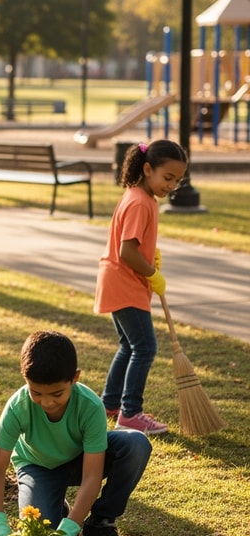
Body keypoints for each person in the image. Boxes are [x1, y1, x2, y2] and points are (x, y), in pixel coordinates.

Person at [0, 330, 152, 536]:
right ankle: (56, 505)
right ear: (25, 379)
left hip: (79, 460)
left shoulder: (90, 406)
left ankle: (99, 525)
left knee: (136, 445)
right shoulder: (18, 406)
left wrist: (70, 528)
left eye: (56, 393)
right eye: (36, 392)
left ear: (75, 377)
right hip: (38, 467)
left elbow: (92, 475)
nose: (46, 402)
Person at [95, 139, 188, 435]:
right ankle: (130, 413)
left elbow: (134, 243)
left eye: (177, 180)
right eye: (167, 177)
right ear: (148, 169)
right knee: (145, 347)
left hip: (119, 281)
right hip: (125, 283)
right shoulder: (139, 202)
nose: (172, 185)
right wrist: (152, 273)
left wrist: (150, 254)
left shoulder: (142, 197)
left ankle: (109, 404)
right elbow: (127, 252)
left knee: (129, 345)